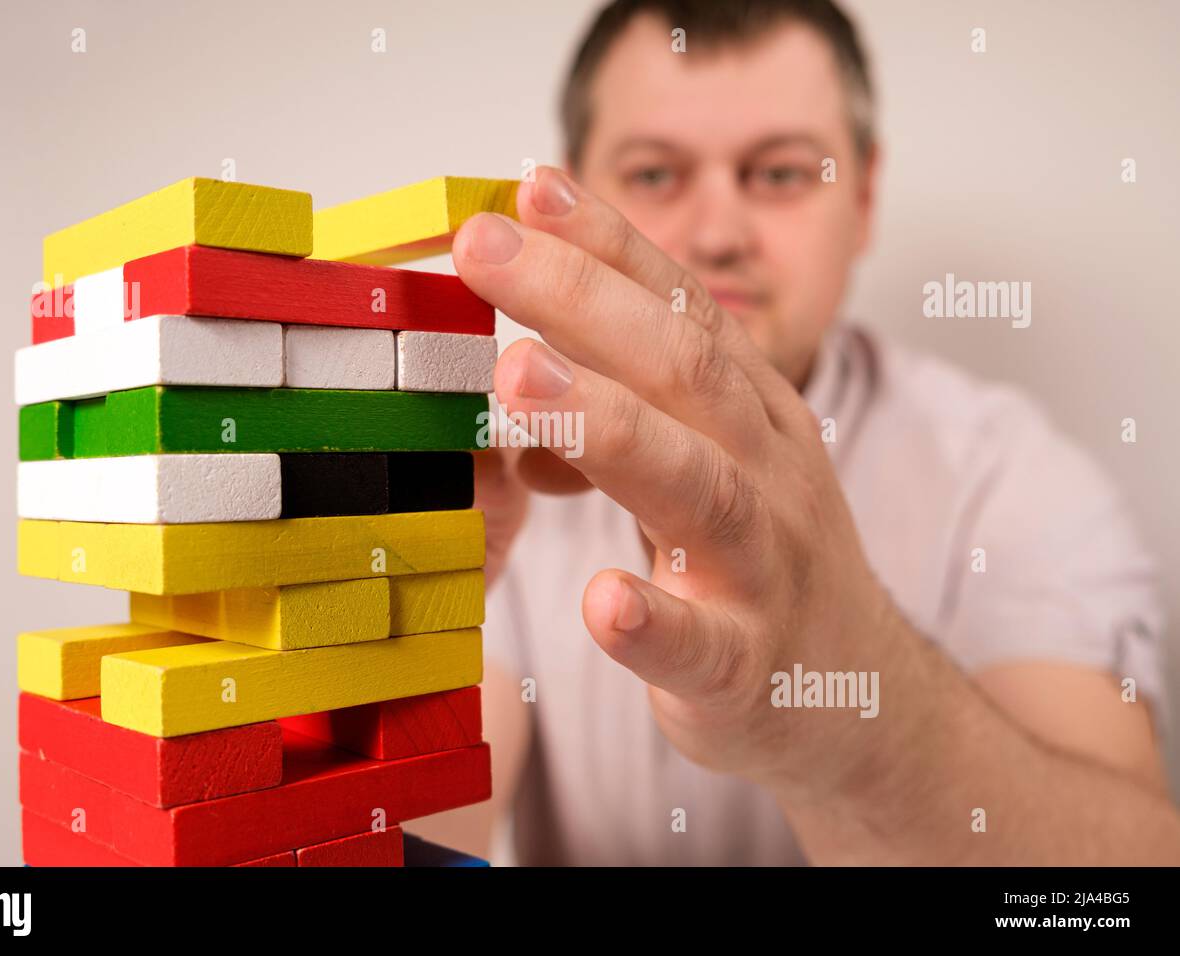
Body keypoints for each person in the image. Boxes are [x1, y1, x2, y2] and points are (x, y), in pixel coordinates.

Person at [406, 0, 1180, 864]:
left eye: (778, 175)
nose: (719, 234)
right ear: (572, 192)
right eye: (656, 175)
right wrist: (391, 641)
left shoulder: (1007, 477)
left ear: (865, 197)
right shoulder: (501, 468)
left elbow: (1109, 892)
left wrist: (847, 714)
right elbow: (418, 837)